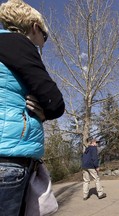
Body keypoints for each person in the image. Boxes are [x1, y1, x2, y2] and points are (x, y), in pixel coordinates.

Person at [0, 0, 65, 215]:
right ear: (34, 27)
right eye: (43, 37)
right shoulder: (16, 43)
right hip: (9, 160)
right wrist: (45, 113)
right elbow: (55, 103)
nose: (43, 43)